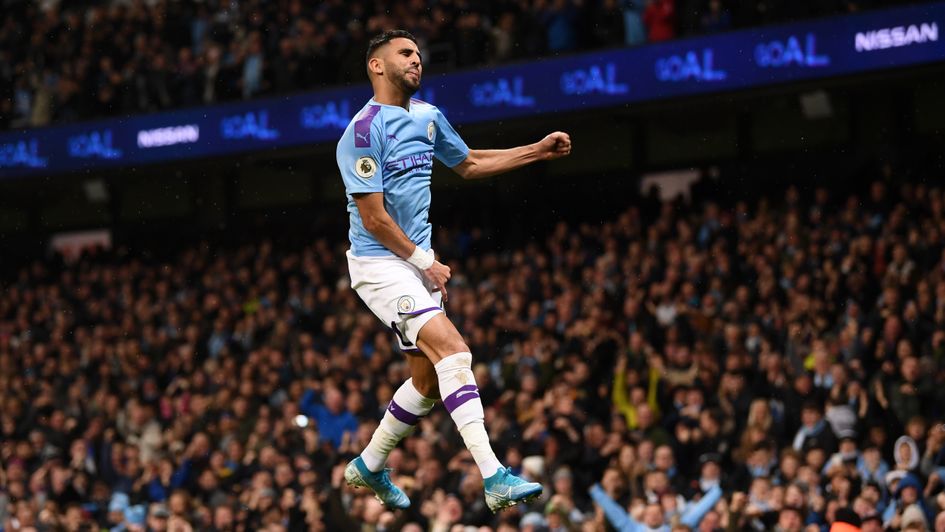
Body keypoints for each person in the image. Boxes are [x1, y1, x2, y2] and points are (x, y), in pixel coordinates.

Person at [335, 29, 572, 512]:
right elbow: (374, 219)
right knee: (455, 352)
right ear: (376, 65)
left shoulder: (428, 116)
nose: (416, 60)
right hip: (380, 265)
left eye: (418, 54)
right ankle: (494, 476)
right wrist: (426, 262)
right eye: (405, 53)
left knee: (426, 384)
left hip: (415, 263)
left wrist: (537, 151)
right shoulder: (361, 132)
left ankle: (369, 464)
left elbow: (468, 163)